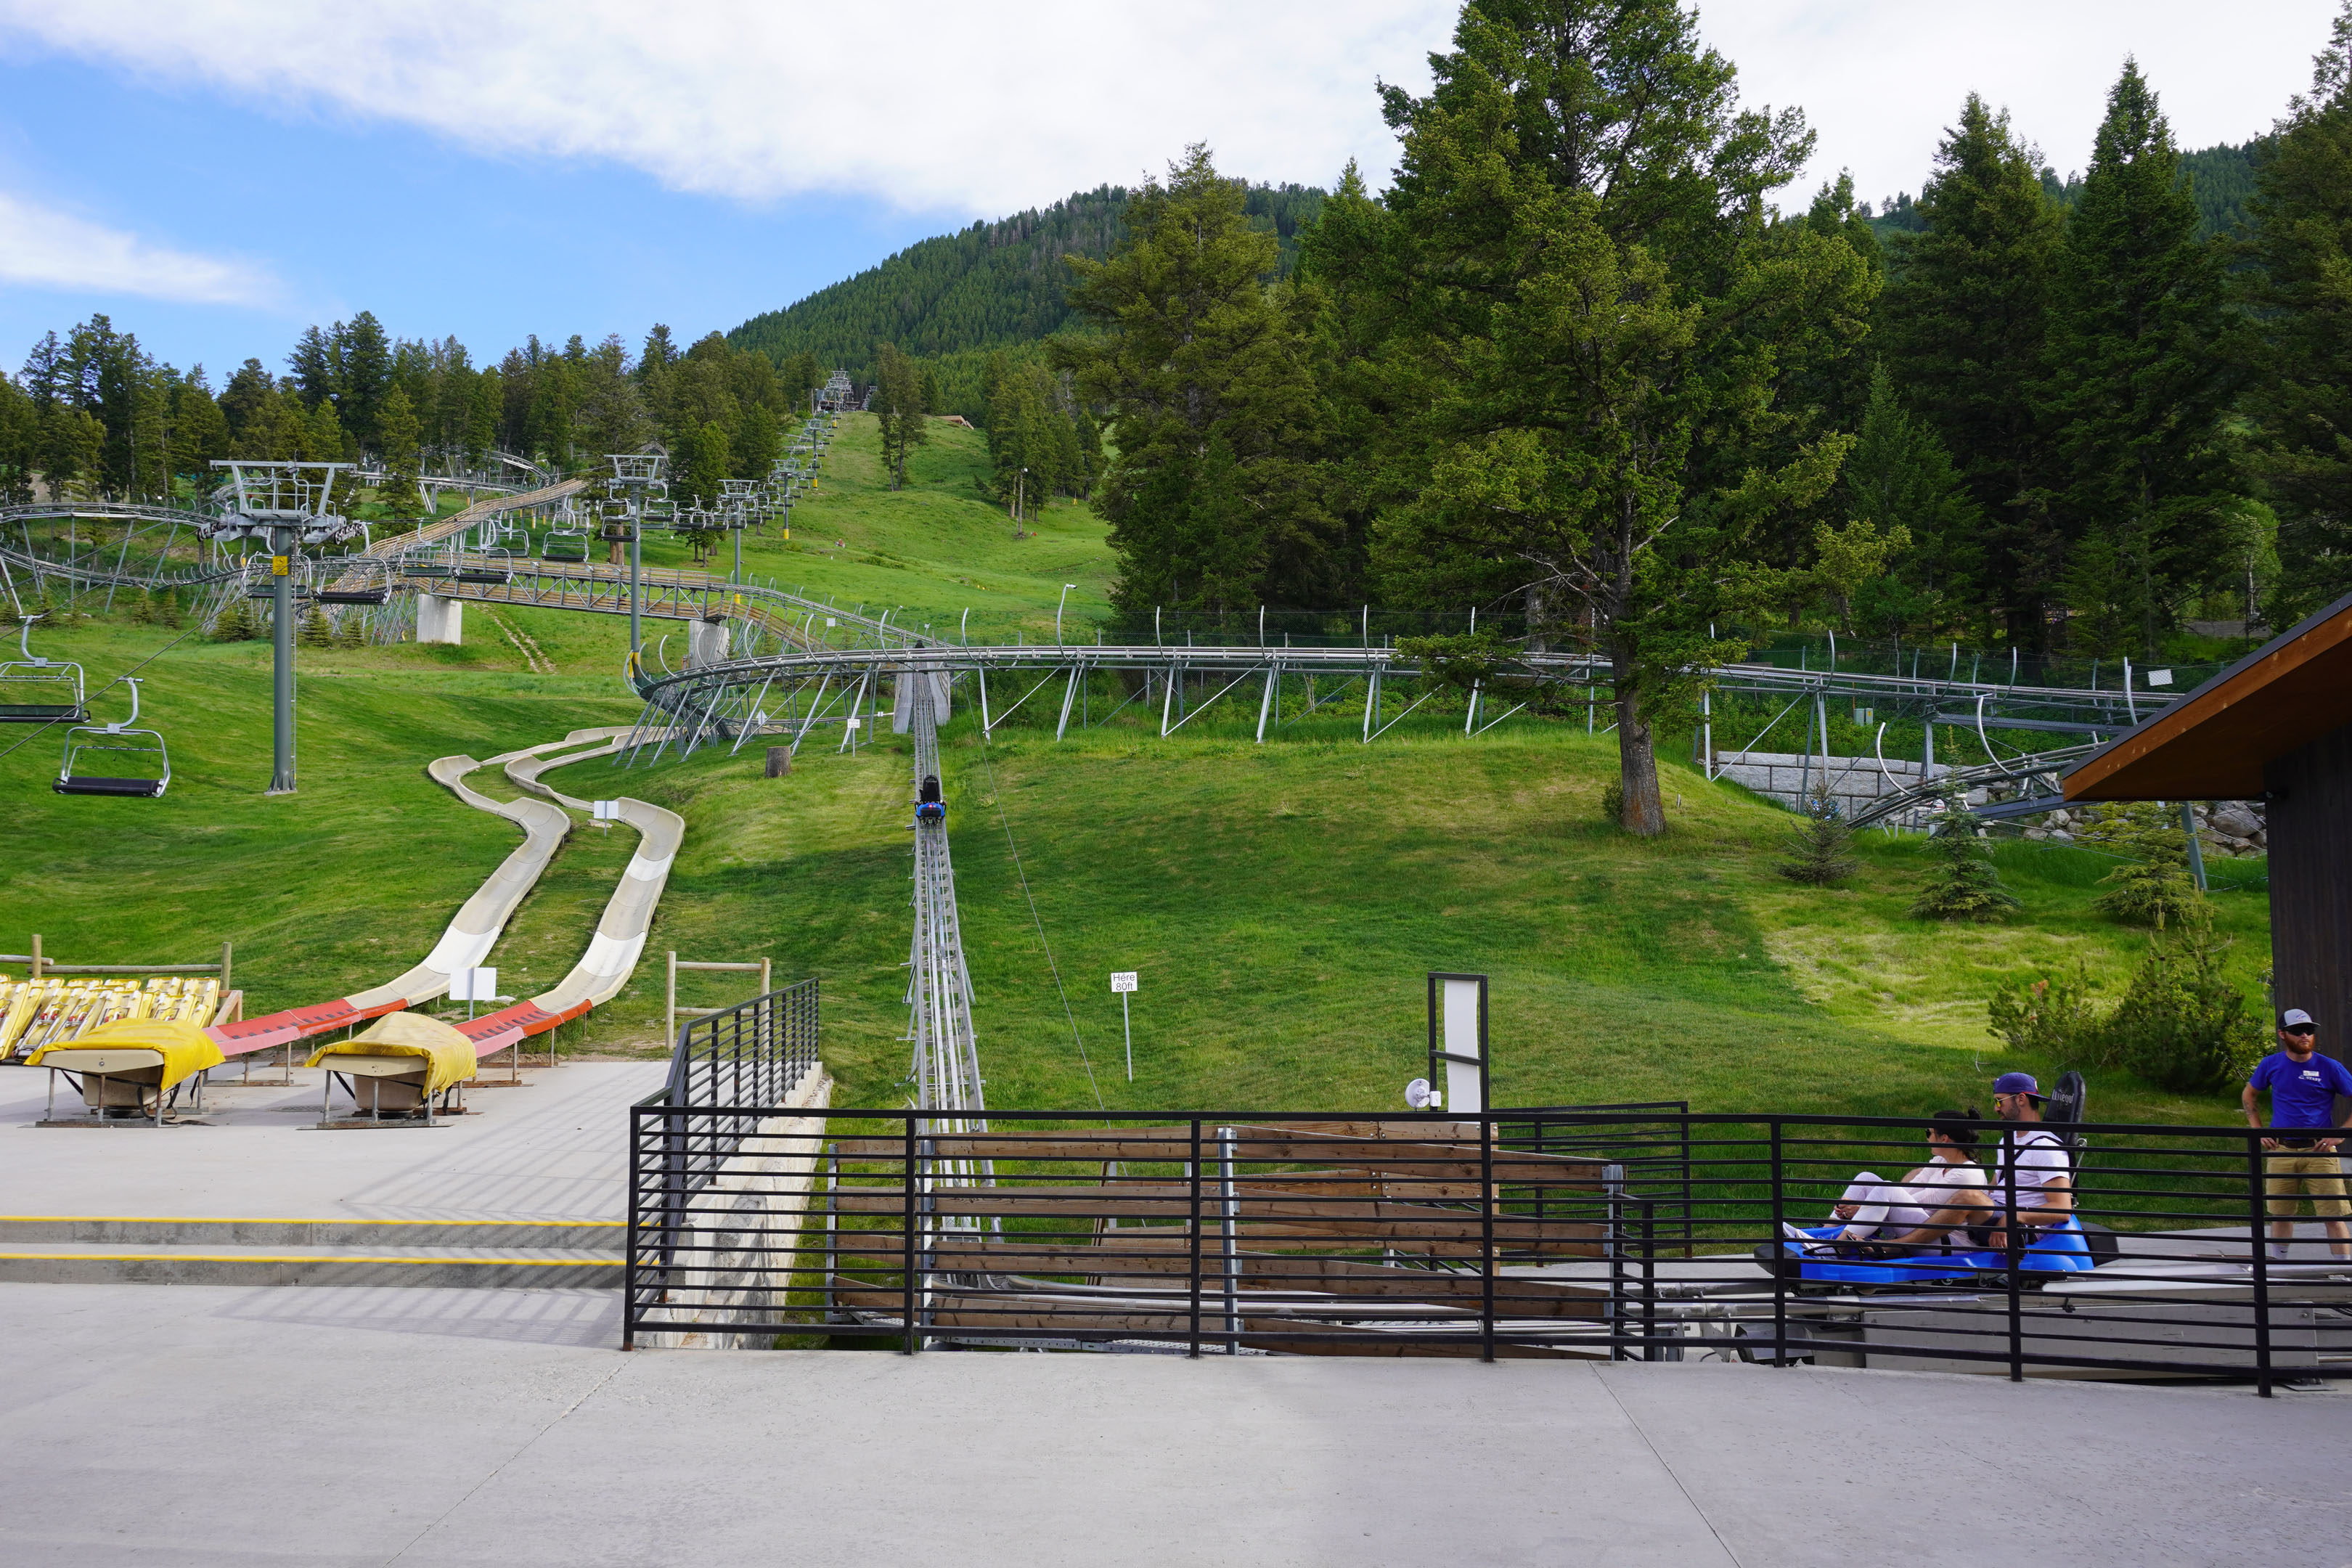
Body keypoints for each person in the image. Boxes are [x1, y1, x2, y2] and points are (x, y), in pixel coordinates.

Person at [2243, 1008, 2352, 1262]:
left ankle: (2345, 1275)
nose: (2305, 1035)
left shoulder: (2329, 1067)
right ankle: (2279, 1268)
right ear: (2283, 1034)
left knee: (2333, 1215)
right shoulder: (2271, 1064)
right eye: (2297, 1031)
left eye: (2309, 1031)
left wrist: (2342, 1134)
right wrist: (2258, 1132)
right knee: (2280, 1213)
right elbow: (2249, 1095)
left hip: (2320, 1151)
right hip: (2281, 1150)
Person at [1985, 1072, 2073, 1252]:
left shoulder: (2045, 1146)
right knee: (1959, 1195)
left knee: (1965, 1199)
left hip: (2023, 1228)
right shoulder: (2008, 1140)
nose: (1996, 1108)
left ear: (2021, 1099)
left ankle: (1911, 1244)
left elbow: (2062, 1208)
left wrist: (2013, 1216)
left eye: (1999, 1101)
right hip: (1998, 1212)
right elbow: (1994, 1187)